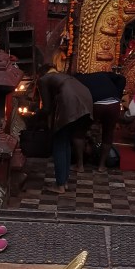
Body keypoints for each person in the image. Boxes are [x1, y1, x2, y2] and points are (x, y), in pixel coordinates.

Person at [37, 65, 93, 193]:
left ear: (40, 73)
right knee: (66, 141)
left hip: (71, 104)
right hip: (87, 103)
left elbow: (46, 108)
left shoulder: (43, 79)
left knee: (59, 142)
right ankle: (64, 181)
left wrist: (35, 114)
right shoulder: (63, 76)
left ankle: (60, 185)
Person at [72, 69, 127, 171]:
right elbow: (122, 78)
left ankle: (79, 165)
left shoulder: (76, 80)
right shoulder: (103, 74)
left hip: (96, 103)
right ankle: (102, 166)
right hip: (114, 104)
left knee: (79, 132)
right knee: (108, 133)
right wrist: (118, 95)